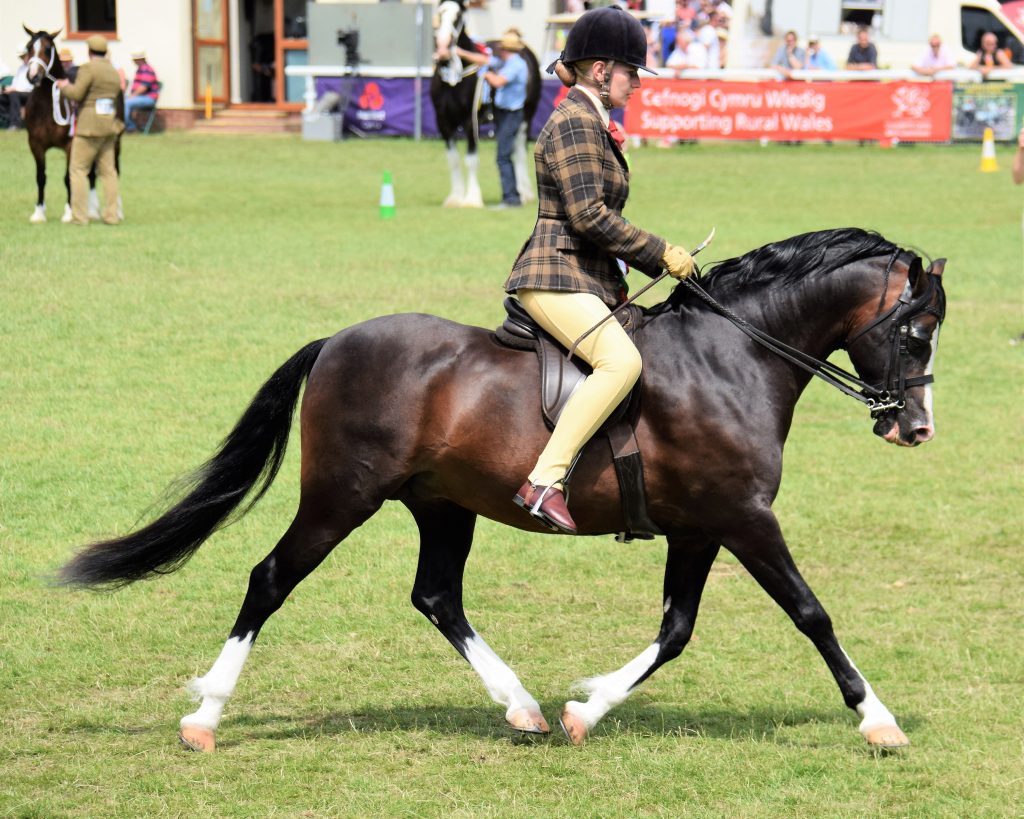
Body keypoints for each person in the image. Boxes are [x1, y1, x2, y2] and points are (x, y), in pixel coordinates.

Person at [504, 6, 696, 534]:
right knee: (619, 363)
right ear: (600, 69)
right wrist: (660, 253)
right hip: (554, 272)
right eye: (631, 73)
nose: (636, 85)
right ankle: (545, 480)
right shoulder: (573, 122)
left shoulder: (591, 121)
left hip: (586, 273)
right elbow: (588, 216)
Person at [56, 35, 124, 226]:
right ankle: (112, 215)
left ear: (89, 51)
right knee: (109, 173)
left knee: (78, 170)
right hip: (109, 125)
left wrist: (64, 86)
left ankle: (79, 217)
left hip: (88, 128)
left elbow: (76, 94)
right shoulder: (112, 70)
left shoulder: (88, 68)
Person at [482, 32, 528, 208]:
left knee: (503, 156)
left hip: (512, 114)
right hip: (506, 113)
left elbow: (498, 81)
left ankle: (511, 198)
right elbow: (485, 61)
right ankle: (512, 195)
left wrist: (486, 76)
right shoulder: (507, 62)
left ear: (504, 49)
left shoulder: (515, 65)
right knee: (505, 155)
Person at [124, 48, 159, 132]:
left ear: (139, 59)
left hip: (149, 98)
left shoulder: (146, 69)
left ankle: (130, 127)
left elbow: (144, 87)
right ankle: (129, 125)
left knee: (126, 103)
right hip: (141, 97)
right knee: (121, 100)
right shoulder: (141, 69)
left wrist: (132, 96)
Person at [0, 49, 32, 130]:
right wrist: (8, 89)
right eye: (21, 57)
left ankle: (15, 124)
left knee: (14, 95)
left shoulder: (33, 68)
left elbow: (30, 86)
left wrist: (14, 89)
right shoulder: (21, 68)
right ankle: (8, 120)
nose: (23, 58)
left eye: (23, 56)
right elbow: (15, 83)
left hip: (29, 94)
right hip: (16, 92)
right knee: (2, 98)